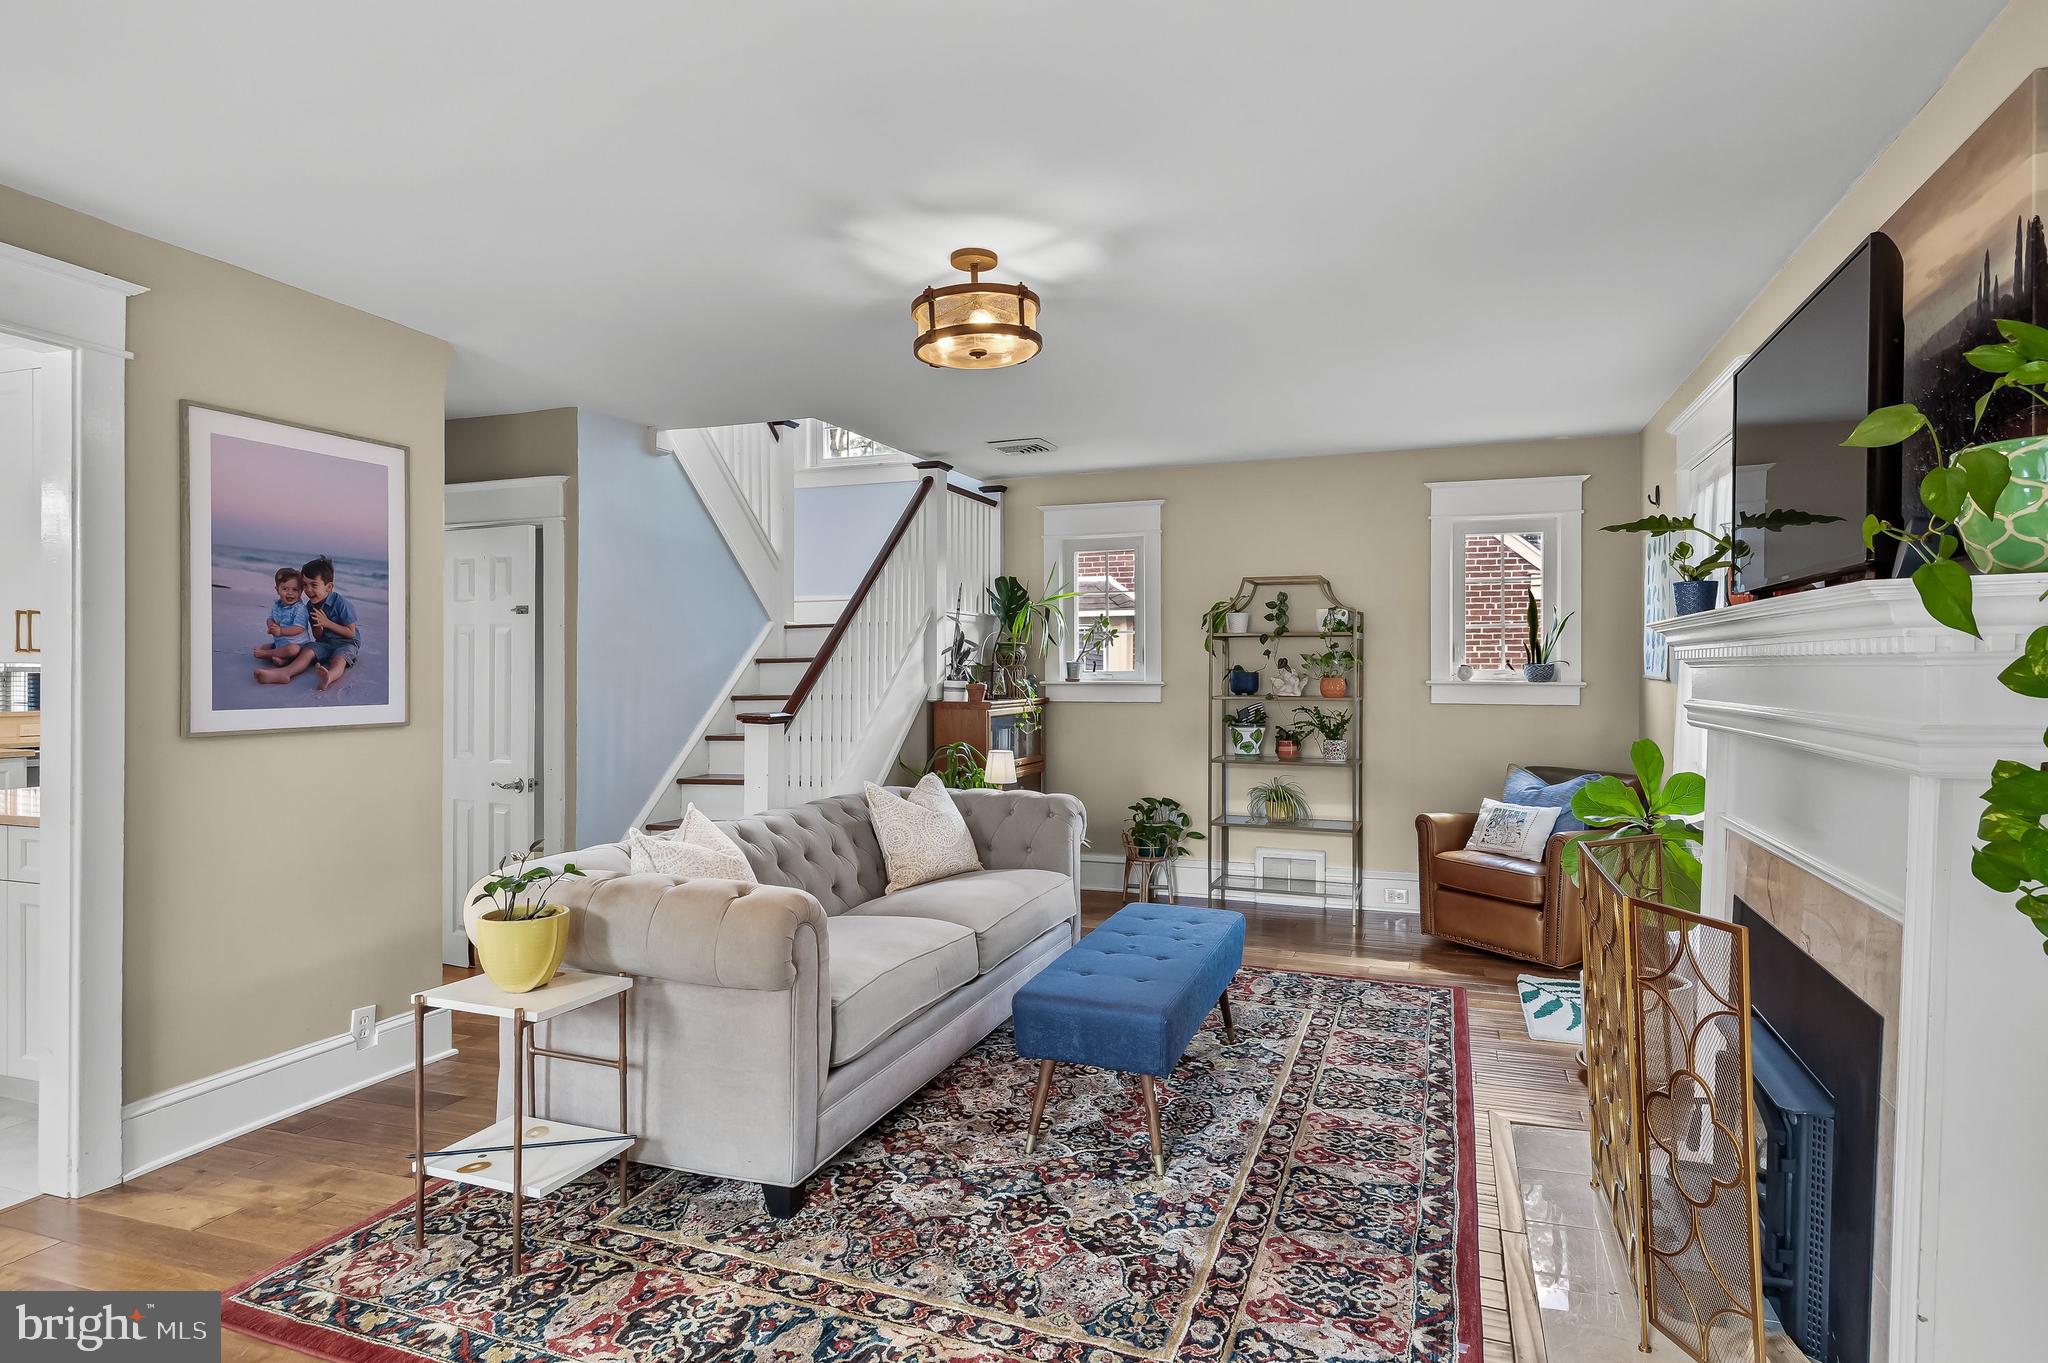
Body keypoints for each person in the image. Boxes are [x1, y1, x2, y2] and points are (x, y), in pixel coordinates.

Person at [254, 555, 361, 691]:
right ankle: (285, 673)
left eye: (314, 585)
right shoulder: (311, 606)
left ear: (328, 587)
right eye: (305, 585)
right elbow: (318, 636)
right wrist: (318, 625)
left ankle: (329, 676)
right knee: (307, 651)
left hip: (346, 643)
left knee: (339, 660)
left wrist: (327, 623)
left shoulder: (341, 604)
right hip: (326, 642)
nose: (308, 590)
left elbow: (351, 633)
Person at [251, 567, 309, 666]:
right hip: (280, 643)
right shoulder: (277, 606)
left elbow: (299, 628)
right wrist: (271, 626)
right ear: (277, 590)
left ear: (301, 591)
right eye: (285, 589)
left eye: (295, 589)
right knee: (265, 646)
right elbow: (270, 618)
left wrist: (280, 631)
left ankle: (268, 654)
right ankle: (278, 656)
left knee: (292, 650)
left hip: (298, 645)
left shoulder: (300, 608)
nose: (290, 593)